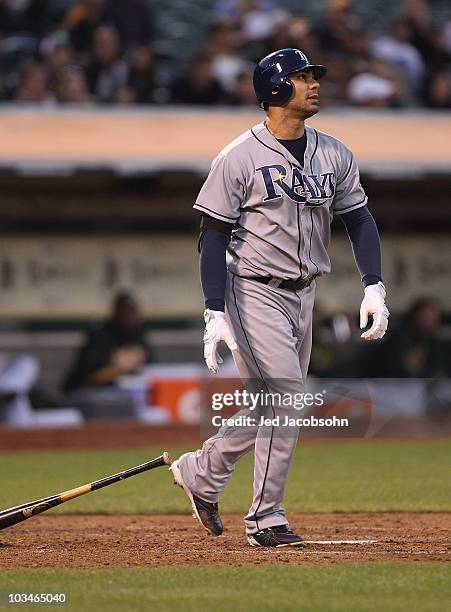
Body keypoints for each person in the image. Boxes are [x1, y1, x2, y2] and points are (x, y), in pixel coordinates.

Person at [170, 48, 389, 548]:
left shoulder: (334, 152)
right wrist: (213, 309)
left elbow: (358, 218)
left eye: (314, 76)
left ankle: (202, 472)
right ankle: (265, 518)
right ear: (274, 90)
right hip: (253, 289)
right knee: (286, 398)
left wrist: (373, 283)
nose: (313, 84)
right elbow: (213, 234)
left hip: (305, 292)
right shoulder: (238, 157)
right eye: (302, 77)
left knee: (275, 402)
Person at [64, 291, 151, 393]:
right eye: (124, 313)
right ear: (116, 314)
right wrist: (112, 359)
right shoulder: (100, 334)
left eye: (132, 313)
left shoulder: (138, 334)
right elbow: (87, 371)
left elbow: (151, 366)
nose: (129, 317)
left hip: (125, 393)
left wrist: (139, 358)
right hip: (85, 393)